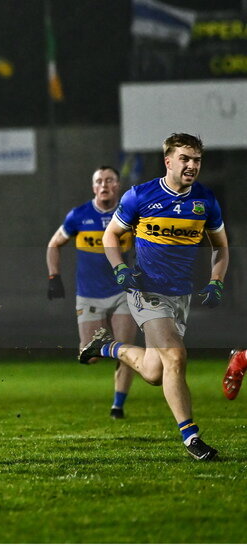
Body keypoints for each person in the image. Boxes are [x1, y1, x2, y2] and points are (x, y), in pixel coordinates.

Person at [80, 133, 228, 461]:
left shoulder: (205, 200)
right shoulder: (140, 196)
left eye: (197, 160)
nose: (192, 165)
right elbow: (111, 235)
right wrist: (119, 267)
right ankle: (192, 439)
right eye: (185, 159)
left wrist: (216, 280)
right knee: (175, 357)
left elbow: (221, 247)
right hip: (146, 291)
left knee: (153, 372)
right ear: (169, 161)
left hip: (180, 296)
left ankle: (104, 347)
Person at [46, 166, 137, 419]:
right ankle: (102, 347)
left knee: (127, 350)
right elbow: (54, 244)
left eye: (109, 180)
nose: (104, 185)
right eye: (99, 181)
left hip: (122, 293)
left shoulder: (128, 216)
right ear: (93, 187)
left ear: (117, 185)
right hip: (89, 294)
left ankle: (117, 406)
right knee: (89, 355)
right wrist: (54, 276)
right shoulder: (79, 216)